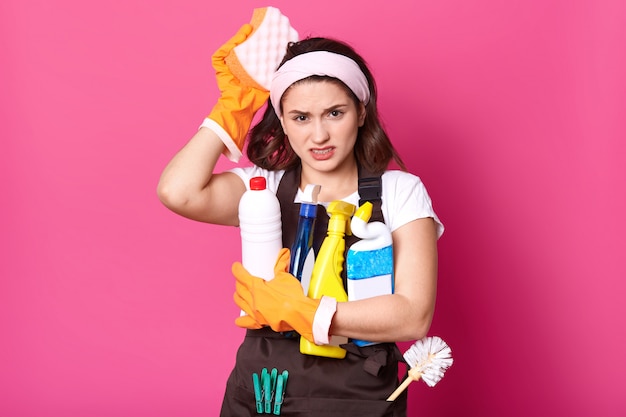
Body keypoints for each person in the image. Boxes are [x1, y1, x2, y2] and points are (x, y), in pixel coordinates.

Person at [158, 23, 444, 417]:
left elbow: (413, 316)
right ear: (282, 121)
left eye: (334, 113)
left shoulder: (400, 192)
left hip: (359, 400)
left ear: (361, 112)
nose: (319, 135)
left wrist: (305, 312)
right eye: (300, 117)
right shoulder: (264, 190)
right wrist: (234, 106)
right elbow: (179, 192)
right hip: (263, 395)